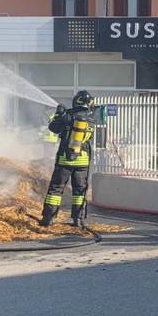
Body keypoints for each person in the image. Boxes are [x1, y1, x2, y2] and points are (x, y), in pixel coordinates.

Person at [40, 90, 97, 227]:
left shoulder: (68, 116)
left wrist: (59, 114)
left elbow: (53, 128)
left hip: (65, 160)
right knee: (80, 191)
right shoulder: (91, 119)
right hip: (83, 162)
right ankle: (79, 219)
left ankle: (49, 218)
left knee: (56, 189)